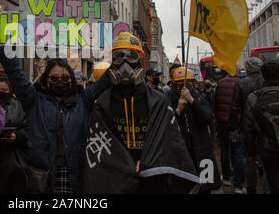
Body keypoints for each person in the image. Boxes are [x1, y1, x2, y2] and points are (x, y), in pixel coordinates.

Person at [0, 34, 113, 194]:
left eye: (65, 78)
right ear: (45, 80)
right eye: (54, 78)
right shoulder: (34, 100)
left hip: (74, 173)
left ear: (72, 80)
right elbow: (16, 75)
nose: (60, 82)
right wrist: (4, 50)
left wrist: (124, 57)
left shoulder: (82, 101)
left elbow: (104, 82)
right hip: (41, 174)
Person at [83, 33, 201, 194]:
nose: (125, 63)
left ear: (140, 59)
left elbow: (168, 141)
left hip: (152, 180)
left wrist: (147, 161)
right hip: (116, 180)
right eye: (118, 57)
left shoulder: (159, 102)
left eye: (131, 56)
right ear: (112, 63)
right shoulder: (102, 104)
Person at [167, 67, 221, 194]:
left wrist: (192, 101)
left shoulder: (199, 97)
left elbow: (208, 118)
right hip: (181, 152)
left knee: (206, 186)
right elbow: (166, 124)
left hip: (202, 149)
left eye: (187, 83)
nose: (183, 86)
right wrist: (178, 110)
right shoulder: (168, 98)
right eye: (179, 84)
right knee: (183, 186)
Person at [242, 61, 279, 194]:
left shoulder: (254, 97)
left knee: (274, 182)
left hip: (268, 148)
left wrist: (251, 152)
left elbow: (248, 129)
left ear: (263, 76)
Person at [229, 57, 264, 194]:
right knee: (265, 153)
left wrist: (232, 126)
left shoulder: (241, 83)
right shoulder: (265, 81)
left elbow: (235, 107)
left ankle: (246, 186)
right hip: (264, 123)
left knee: (247, 155)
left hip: (246, 123)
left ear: (248, 69)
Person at [0, 74, 30, 194]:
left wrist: (16, 136)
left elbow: (28, 129)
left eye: (4, 90)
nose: (0, 92)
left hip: (12, 157)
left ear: (10, 90)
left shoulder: (19, 106)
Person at [214, 68, 242, 191]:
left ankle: (226, 177)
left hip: (222, 122)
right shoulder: (241, 83)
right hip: (237, 123)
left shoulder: (219, 83)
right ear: (238, 71)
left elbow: (215, 103)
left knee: (225, 149)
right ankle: (238, 184)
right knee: (238, 152)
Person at [201, 77, 217, 142]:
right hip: (205, 115)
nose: (207, 84)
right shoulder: (202, 94)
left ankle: (213, 142)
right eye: (206, 83)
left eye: (208, 83)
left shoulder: (214, 93)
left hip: (213, 114)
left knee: (213, 130)